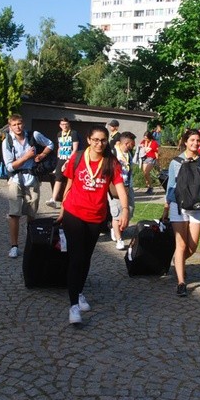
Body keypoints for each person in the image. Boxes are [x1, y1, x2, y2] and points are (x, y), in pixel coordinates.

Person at [58, 125, 129, 324]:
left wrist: (125, 210)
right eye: (96, 140)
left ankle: (79, 291)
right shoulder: (78, 157)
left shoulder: (111, 162)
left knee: (86, 256)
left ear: (108, 141)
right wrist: (63, 208)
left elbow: (120, 189)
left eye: (103, 140)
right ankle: (73, 306)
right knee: (76, 256)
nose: (99, 143)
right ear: (89, 139)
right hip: (74, 212)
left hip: (96, 216)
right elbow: (69, 184)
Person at [165, 128, 200, 297]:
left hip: (196, 208)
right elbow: (171, 186)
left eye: (198, 140)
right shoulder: (176, 162)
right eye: (192, 140)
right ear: (186, 142)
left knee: (192, 247)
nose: (195, 143)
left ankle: (178, 261)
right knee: (180, 245)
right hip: (178, 208)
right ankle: (181, 282)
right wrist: (167, 207)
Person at [1, 114, 54, 258]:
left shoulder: (34, 135)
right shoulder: (7, 141)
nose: (17, 127)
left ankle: (31, 243)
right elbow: (10, 167)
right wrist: (27, 157)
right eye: (14, 125)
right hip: (16, 180)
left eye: (19, 124)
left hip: (33, 179)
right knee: (14, 214)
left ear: (23, 124)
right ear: (10, 126)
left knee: (31, 214)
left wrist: (42, 155)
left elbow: (50, 144)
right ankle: (14, 246)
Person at [109, 131, 136, 250]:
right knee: (117, 213)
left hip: (127, 186)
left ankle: (116, 228)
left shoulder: (128, 154)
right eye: (132, 144)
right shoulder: (113, 153)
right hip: (115, 187)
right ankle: (119, 239)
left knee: (129, 210)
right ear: (126, 143)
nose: (133, 147)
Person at [46, 117, 79, 208]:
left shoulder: (73, 133)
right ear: (60, 125)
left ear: (69, 124)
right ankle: (53, 199)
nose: (64, 126)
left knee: (70, 178)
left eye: (66, 124)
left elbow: (75, 149)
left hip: (71, 158)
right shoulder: (59, 134)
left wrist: (68, 161)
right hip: (61, 158)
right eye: (63, 124)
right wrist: (58, 159)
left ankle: (69, 200)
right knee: (58, 177)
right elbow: (59, 147)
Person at [138, 131, 159, 195]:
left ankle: (151, 187)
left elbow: (156, 152)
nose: (145, 139)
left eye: (146, 138)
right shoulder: (143, 142)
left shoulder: (154, 143)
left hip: (151, 158)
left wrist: (158, 161)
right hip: (145, 158)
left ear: (149, 137)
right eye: (144, 138)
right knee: (145, 173)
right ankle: (149, 186)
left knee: (147, 172)